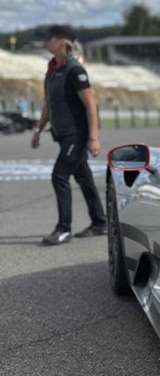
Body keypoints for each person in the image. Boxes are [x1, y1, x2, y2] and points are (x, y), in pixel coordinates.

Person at [31, 25, 107, 245]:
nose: (46, 42)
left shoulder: (74, 70)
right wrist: (38, 130)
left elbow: (90, 104)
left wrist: (93, 138)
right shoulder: (52, 70)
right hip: (62, 134)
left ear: (63, 41)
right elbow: (48, 105)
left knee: (59, 176)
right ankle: (100, 221)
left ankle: (63, 228)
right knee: (83, 176)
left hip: (77, 134)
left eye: (50, 38)